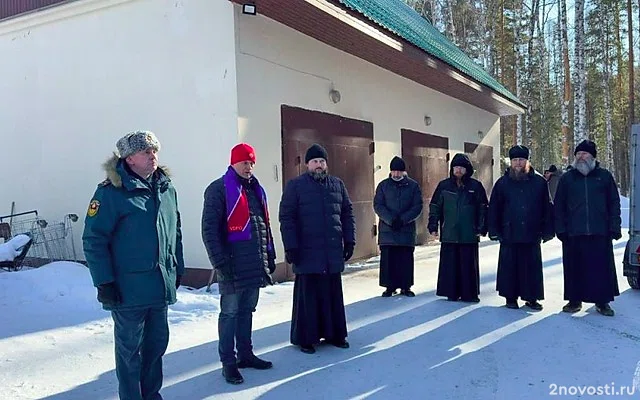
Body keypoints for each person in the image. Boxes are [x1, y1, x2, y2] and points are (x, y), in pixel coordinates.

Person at [82, 130, 184, 400]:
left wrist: (177, 268)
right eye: (146, 152)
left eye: (155, 151)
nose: (153, 157)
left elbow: (175, 232)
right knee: (129, 354)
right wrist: (104, 281)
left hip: (158, 287)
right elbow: (94, 239)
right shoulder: (111, 192)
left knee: (156, 347)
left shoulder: (165, 187)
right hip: (128, 290)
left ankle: (152, 395)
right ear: (129, 159)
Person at [201, 143, 276, 384]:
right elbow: (209, 230)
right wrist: (219, 261)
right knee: (230, 313)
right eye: (244, 162)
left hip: (253, 263)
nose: (249, 167)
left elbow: (262, 225)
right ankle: (228, 363)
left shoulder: (256, 190)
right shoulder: (218, 189)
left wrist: (269, 256)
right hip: (231, 264)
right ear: (233, 162)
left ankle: (246, 354)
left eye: (252, 162)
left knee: (247, 310)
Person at [279, 143, 356, 354]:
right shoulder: (295, 186)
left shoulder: (337, 185)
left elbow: (347, 214)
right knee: (309, 297)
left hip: (331, 251)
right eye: (315, 161)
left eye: (322, 161)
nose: (319, 165)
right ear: (307, 165)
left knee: (332, 295)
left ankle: (335, 334)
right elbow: (287, 218)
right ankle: (306, 338)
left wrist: (350, 241)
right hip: (307, 252)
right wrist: (291, 246)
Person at [554, 139, 621, 316]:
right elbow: (559, 205)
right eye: (578, 154)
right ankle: (574, 301)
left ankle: (602, 302)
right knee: (574, 269)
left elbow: (614, 203)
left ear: (593, 156)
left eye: (585, 154)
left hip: (600, 231)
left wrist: (615, 226)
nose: (581, 157)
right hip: (573, 232)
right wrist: (560, 228)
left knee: (600, 269)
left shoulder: (604, 176)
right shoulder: (567, 178)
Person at [488, 145, 554, 310]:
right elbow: (494, 208)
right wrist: (494, 230)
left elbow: (547, 207)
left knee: (531, 266)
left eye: (521, 160)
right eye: (515, 160)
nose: (518, 163)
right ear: (511, 162)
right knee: (509, 266)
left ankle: (532, 298)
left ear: (527, 161)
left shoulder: (539, 182)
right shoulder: (502, 183)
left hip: (532, 232)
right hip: (508, 231)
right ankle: (510, 297)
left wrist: (547, 230)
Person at [428, 153, 488, 302]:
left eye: (461, 167)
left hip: (469, 233)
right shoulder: (444, 186)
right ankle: (451, 292)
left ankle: (470, 294)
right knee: (450, 265)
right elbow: (435, 206)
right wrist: (433, 225)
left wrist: (481, 227)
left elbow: (483, 207)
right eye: (456, 167)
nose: (458, 170)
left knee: (468, 266)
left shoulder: (475, 186)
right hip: (449, 232)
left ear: (467, 169)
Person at [373, 156, 423, 297]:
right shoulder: (383, 185)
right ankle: (390, 286)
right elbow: (378, 205)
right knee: (389, 260)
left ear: (403, 172)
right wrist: (390, 219)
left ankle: (405, 287)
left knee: (405, 260)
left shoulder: (413, 186)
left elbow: (417, 206)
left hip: (406, 230)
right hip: (387, 230)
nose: (396, 174)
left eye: (399, 171)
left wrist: (403, 220)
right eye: (394, 171)